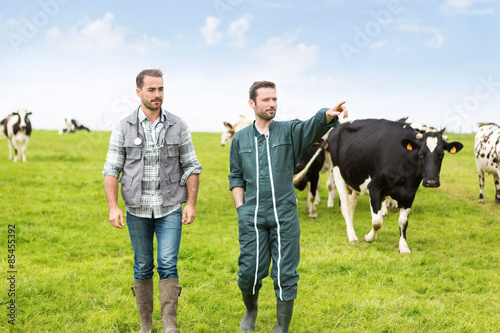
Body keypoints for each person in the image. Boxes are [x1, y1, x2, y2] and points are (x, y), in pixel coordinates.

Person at [228, 81, 348, 332]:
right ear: (252, 104)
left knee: (285, 272)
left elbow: (313, 125)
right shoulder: (240, 139)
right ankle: (250, 312)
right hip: (252, 214)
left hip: (284, 213)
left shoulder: (289, 131)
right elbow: (236, 176)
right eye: (266, 100)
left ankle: (281, 325)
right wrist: (241, 209)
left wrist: (327, 114)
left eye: (274, 99)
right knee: (249, 270)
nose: (272, 104)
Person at [103, 69, 202, 333]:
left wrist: (190, 203)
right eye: (151, 90)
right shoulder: (123, 127)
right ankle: (145, 325)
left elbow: (191, 165)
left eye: (160, 89)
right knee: (143, 263)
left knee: (168, 262)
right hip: (136, 209)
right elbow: (112, 168)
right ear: (138, 92)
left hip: (170, 207)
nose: (157, 95)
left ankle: (169, 325)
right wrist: (113, 207)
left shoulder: (178, 125)